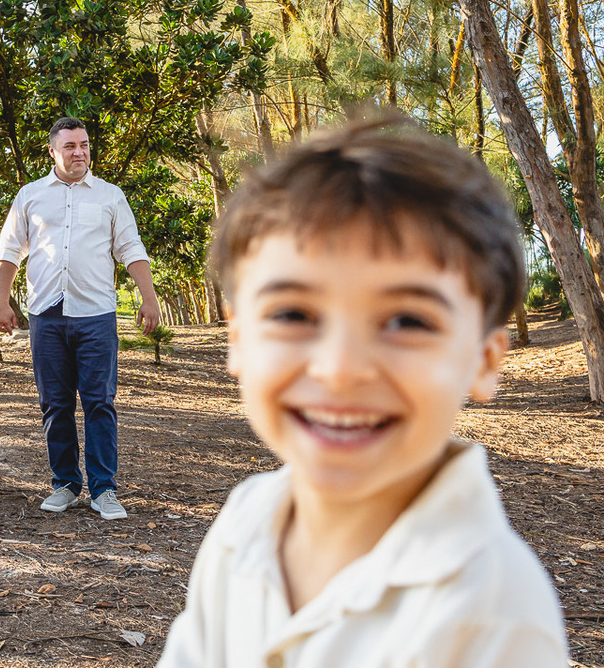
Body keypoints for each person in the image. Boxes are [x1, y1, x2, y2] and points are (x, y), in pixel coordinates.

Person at [157, 113, 568, 667]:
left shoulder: (494, 611)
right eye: (294, 313)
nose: (341, 370)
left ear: (485, 360)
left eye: (407, 322)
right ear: (238, 340)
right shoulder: (246, 520)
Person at [0, 116, 161, 521]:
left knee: (100, 402)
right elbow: (10, 251)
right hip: (46, 315)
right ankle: (65, 484)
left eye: (84, 144)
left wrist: (149, 298)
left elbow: (131, 247)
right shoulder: (30, 196)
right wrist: (1, 301)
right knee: (55, 404)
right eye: (70, 146)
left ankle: (104, 490)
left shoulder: (109, 196)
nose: (79, 152)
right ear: (52, 151)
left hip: (96, 315)